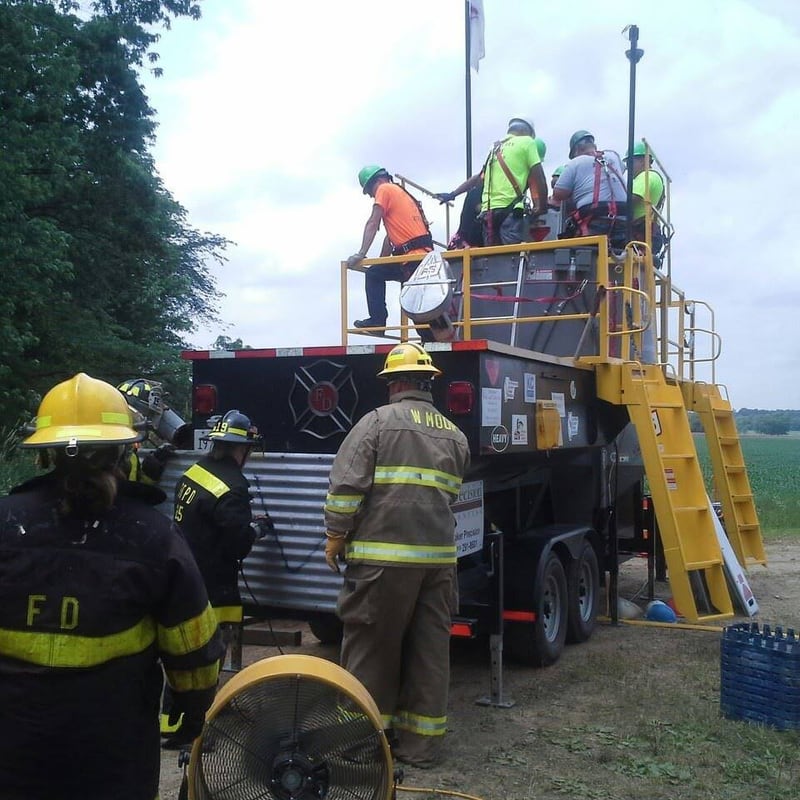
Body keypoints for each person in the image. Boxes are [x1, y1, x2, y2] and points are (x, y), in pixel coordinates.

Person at [0, 372, 223, 800]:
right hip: (112, 759)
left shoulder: (6, 524)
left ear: (44, 453)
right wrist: (192, 710)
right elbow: (192, 650)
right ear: (122, 448)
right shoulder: (154, 538)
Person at [323, 342, 470, 768]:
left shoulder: (376, 424)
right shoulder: (453, 434)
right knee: (429, 653)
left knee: (371, 649)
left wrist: (336, 535)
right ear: (427, 384)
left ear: (395, 383)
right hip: (438, 564)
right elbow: (450, 493)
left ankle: (358, 744)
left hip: (381, 565)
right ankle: (420, 747)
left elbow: (346, 488)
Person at [345, 166, 433, 330]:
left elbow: (373, 222)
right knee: (376, 273)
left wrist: (361, 253)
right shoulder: (400, 192)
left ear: (377, 181)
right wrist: (380, 262)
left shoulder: (384, 189)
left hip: (412, 259)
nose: (371, 195)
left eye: (370, 190)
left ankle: (378, 321)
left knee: (419, 313)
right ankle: (379, 323)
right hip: (422, 257)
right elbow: (390, 238)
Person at [435, 118, 549, 246]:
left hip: (487, 214)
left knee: (491, 260)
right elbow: (540, 179)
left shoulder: (495, 148)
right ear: (527, 131)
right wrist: (542, 208)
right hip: (510, 213)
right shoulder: (527, 142)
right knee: (510, 259)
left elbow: (478, 179)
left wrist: (452, 194)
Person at [552, 130, 628, 247]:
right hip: (623, 220)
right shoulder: (613, 156)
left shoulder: (575, 163)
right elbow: (621, 170)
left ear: (577, 150)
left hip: (594, 221)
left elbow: (558, 194)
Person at [625, 140, 666, 259]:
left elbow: (632, 199)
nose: (628, 167)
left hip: (641, 231)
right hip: (647, 231)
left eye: (630, 162)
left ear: (643, 160)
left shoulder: (646, 176)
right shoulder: (654, 177)